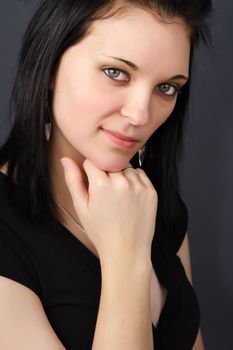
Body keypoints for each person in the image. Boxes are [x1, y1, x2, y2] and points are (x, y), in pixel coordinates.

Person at [0, 0, 212, 349]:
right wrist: (125, 260)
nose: (140, 114)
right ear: (50, 64)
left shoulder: (152, 202)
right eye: (116, 72)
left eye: (167, 87)